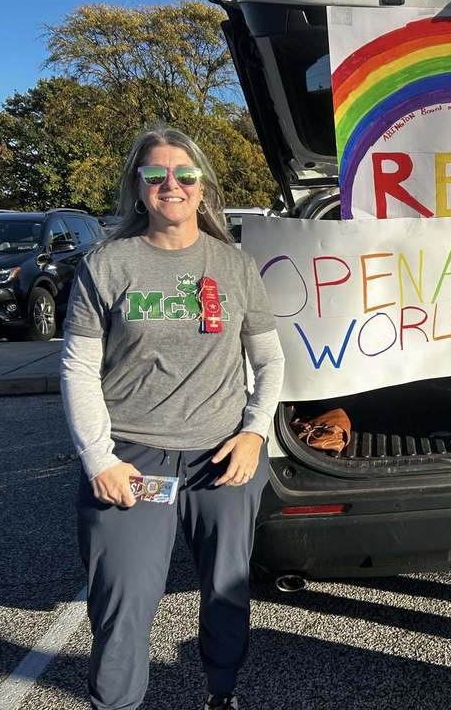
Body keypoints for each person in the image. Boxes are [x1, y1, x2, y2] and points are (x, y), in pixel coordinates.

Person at [61, 125, 285, 710]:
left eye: (184, 175)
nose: (171, 185)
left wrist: (253, 435)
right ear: (137, 187)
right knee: (123, 600)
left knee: (226, 592)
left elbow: (269, 360)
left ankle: (222, 693)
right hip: (131, 461)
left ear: (202, 186)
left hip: (221, 457)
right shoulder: (107, 265)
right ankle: (116, 703)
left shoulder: (234, 265)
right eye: (155, 174)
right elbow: (78, 371)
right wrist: (99, 459)